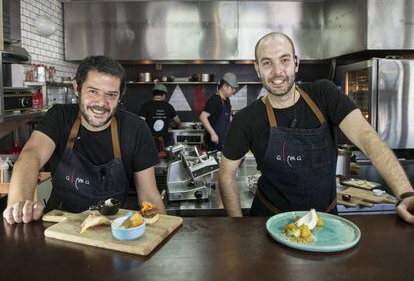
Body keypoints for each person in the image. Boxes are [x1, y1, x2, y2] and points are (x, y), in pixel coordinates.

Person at [219, 32, 414, 224]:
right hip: (268, 223)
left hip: (325, 223)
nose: (277, 71)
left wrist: (405, 193)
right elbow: (226, 174)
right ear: (257, 69)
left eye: (284, 60)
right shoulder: (246, 119)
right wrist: (238, 227)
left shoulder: (324, 94)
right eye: (267, 63)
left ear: (296, 62)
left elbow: (366, 137)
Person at [3, 56, 165, 224]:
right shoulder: (59, 117)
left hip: (112, 230)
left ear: (119, 97)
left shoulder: (136, 129)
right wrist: (20, 203)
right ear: (77, 88)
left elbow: (149, 196)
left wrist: (162, 231)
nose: (101, 103)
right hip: (59, 228)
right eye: (93, 91)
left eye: (110, 94)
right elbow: (32, 154)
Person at [199, 73, 239, 151]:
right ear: (224, 86)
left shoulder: (227, 100)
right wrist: (213, 134)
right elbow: (202, 117)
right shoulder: (215, 100)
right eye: (232, 88)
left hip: (223, 142)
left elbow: (228, 118)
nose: (234, 91)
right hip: (213, 144)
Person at [139, 84, 181, 151]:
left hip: (149, 141)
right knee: (166, 159)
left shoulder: (146, 106)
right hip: (165, 142)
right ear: (164, 95)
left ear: (153, 94)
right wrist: (173, 125)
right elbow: (178, 121)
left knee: (151, 160)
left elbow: (140, 123)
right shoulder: (168, 106)